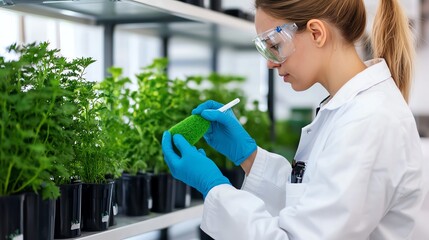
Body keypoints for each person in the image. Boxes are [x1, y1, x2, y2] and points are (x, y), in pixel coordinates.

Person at [162, 0, 429, 239]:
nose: (270, 62)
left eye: (274, 45)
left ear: (316, 33)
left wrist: (214, 187)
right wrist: (250, 157)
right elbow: (312, 205)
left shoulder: (369, 121)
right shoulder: (350, 109)